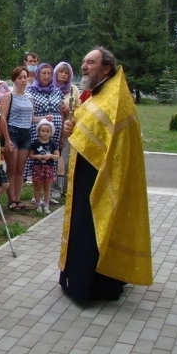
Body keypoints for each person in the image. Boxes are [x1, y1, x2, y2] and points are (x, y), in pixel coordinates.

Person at [59, 47, 153, 302]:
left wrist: (77, 129)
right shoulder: (98, 95)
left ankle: (92, 286)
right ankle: (75, 277)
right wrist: (72, 125)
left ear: (106, 68)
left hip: (101, 178)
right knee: (82, 226)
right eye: (83, 61)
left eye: (90, 62)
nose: (84, 66)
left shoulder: (115, 99)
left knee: (93, 228)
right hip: (85, 177)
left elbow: (111, 142)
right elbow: (85, 125)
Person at [24, 63, 64, 203]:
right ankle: (37, 195)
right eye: (43, 73)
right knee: (39, 162)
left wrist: (63, 132)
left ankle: (51, 193)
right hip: (39, 130)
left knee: (52, 160)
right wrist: (43, 119)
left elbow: (61, 111)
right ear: (38, 75)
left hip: (56, 130)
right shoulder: (32, 91)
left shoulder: (57, 91)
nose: (46, 76)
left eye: (49, 73)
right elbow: (31, 115)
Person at [0, 67, 34, 210]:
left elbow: (32, 118)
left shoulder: (30, 97)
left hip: (26, 133)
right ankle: (11, 199)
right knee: (12, 168)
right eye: (20, 78)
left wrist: (46, 119)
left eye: (25, 77)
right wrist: (7, 139)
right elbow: (3, 119)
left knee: (20, 169)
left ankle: (18, 199)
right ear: (14, 80)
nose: (23, 80)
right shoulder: (9, 96)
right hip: (13, 132)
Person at [53, 62, 80, 196]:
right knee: (55, 157)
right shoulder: (51, 88)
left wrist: (71, 110)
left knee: (67, 157)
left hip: (69, 126)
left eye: (66, 73)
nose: (63, 75)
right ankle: (54, 189)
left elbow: (79, 107)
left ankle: (66, 189)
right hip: (56, 127)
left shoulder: (73, 89)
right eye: (61, 72)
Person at [29, 120, 59, 214]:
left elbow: (57, 156)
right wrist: (37, 156)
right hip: (38, 167)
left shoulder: (52, 144)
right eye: (43, 131)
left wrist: (50, 156)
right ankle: (38, 205)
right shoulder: (35, 143)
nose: (45, 133)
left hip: (48, 168)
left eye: (47, 131)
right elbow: (30, 155)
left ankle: (46, 205)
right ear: (39, 131)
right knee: (37, 187)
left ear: (51, 133)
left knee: (47, 187)